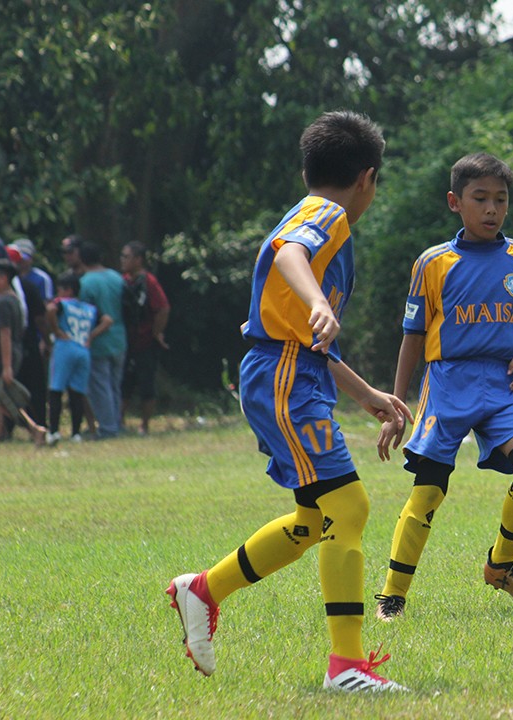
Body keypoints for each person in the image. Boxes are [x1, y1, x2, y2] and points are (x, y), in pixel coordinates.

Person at [165, 110, 411, 693]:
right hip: (282, 376)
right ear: (366, 179)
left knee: (314, 518)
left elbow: (311, 340)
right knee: (348, 510)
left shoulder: (315, 211)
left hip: (292, 371)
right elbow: (288, 255)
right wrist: (317, 303)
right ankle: (346, 668)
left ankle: (202, 590)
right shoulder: (325, 214)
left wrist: (366, 394)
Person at [374, 152, 513, 622]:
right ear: (456, 202)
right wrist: (396, 401)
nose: (492, 209)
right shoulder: (433, 263)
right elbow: (412, 336)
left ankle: (502, 566)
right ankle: (392, 595)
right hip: (448, 383)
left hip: (505, 383)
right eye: (480, 199)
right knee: (430, 488)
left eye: (500, 199)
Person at [0, 258, 47, 449]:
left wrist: (6, 366)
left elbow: (4, 333)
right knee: (2, 399)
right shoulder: (14, 299)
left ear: (4, 278)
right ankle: (34, 429)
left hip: (2, 357)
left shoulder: (2, 303)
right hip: (14, 352)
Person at [119, 241, 171, 435]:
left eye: (126, 256)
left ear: (138, 260)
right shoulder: (122, 281)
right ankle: (119, 421)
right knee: (124, 383)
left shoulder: (148, 281)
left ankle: (144, 425)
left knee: (146, 384)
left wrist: (156, 333)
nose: (122, 260)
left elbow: (163, 308)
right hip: (125, 341)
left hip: (146, 342)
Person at [77, 240, 127, 438]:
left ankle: (107, 428)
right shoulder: (116, 277)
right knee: (115, 385)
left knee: (100, 386)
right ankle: (117, 423)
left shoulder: (85, 283)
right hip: (120, 337)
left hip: (98, 340)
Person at [45, 273, 100, 445]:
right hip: (83, 349)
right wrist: (91, 336)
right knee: (77, 392)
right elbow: (107, 320)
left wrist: (55, 330)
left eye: (59, 289)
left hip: (65, 347)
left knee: (56, 389)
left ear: (68, 290)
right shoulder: (89, 308)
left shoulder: (62, 303)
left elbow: (50, 309)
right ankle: (76, 433)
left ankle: (54, 431)